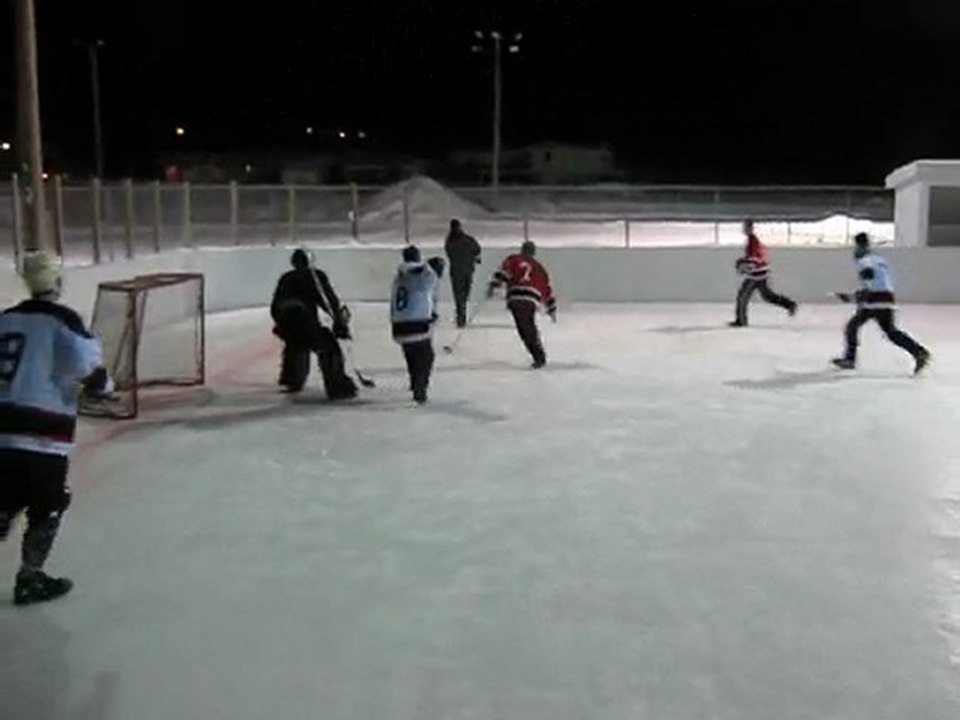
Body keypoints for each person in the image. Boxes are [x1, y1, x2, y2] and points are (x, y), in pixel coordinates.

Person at [0, 251, 112, 605]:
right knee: (47, 503)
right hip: (42, 434)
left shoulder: (5, 319)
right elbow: (86, 365)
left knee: (4, 500)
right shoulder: (63, 319)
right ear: (57, 281)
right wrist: (103, 386)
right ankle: (29, 577)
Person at [832, 232, 930, 373]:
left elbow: (870, 281)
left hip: (875, 299)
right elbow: (881, 280)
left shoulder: (864, 262)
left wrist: (852, 297)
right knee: (891, 332)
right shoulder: (879, 260)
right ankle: (919, 352)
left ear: (859, 246)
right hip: (887, 297)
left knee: (852, 327)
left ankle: (850, 360)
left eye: (856, 246)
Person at [270, 248, 357, 399]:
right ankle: (337, 386)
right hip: (304, 319)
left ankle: (292, 378)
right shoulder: (315, 276)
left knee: (294, 345)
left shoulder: (286, 278)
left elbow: (275, 306)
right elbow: (328, 300)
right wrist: (339, 320)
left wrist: (280, 324)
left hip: (286, 321)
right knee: (327, 346)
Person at [487, 240, 556, 368]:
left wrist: (493, 286)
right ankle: (538, 354)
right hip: (531, 299)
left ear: (522, 249)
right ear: (533, 252)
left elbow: (503, 273)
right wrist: (551, 308)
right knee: (528, 325)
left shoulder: (513, 259)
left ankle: (538, 355)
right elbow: (546, 289)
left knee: (524, 328)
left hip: (516, 297)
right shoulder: (539, 267)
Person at [390, 246, 443, 404]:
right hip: (417, 325)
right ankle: (420, 387)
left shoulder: (399, 277)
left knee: (411, 355)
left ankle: (414, 382)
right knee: (426, 357)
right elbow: (431, 277)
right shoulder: (422, 276)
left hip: (398, 326)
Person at [730, 219, 798, 327]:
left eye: (745, 227)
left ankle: (741, 321)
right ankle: (790, 304)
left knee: (742, 296)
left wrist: (744, 264)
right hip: (760, 273)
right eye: (744, 227)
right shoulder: (751, 239)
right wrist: (744, 263)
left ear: (750, 228)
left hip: (756, 275)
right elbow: (754, 257)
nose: (743, 229)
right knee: (767, 296)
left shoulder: (753, 240)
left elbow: (755, 258)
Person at [444, 219, 482, 328]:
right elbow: (477, 250)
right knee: (464, 293)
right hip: (467, 269)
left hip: (457, 270)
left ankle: (461, 313)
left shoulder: (450, 241)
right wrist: (473, 258)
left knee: (459, 294)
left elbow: (449, 253)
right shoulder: (468, 239)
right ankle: (461, 313)